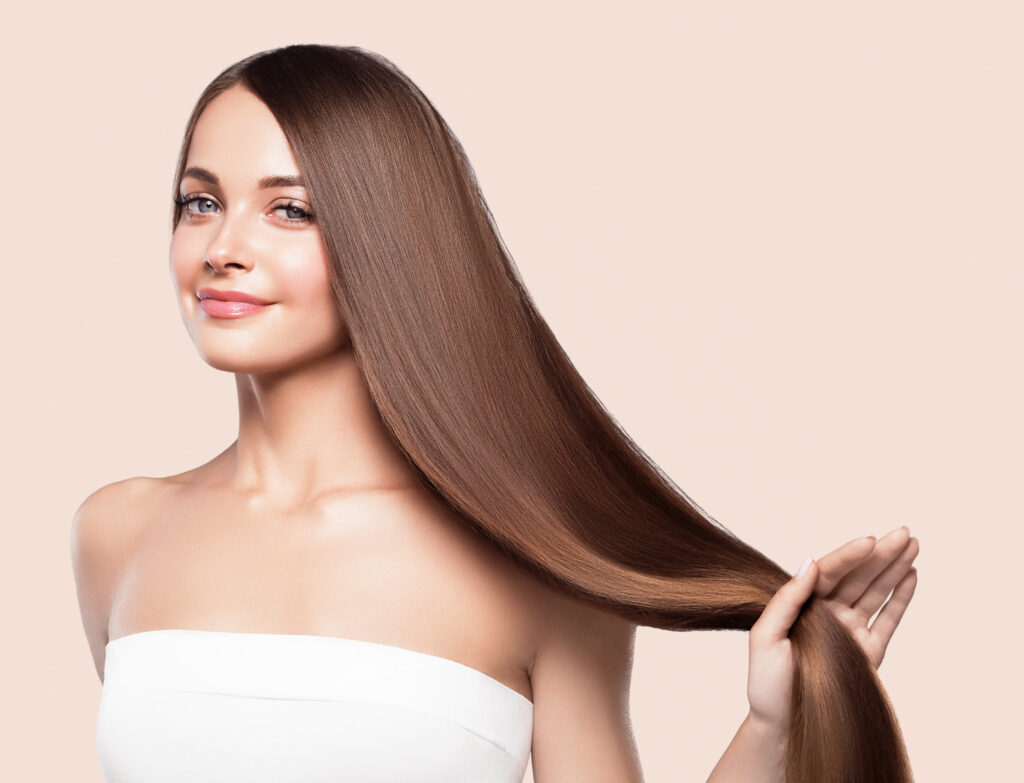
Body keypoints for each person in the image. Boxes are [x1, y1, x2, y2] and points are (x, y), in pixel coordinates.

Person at [70, 44, 920, 783]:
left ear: (387, 239)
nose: (223, 247)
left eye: (290, 209)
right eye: (200, 201)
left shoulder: (535, 569)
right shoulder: (119, 533)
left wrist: (774, 728)